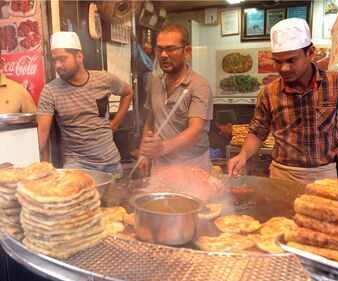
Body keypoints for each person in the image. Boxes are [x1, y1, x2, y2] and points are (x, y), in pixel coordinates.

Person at [228, 18, 338, 184]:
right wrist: (243, 155)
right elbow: (257, 131)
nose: (284, 68)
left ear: (310, 53)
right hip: (281, 175)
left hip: (323, 174)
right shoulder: (269, 92)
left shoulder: (337, 82)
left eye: (291, 60)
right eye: (278, 61)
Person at [37, 31, 133, 174]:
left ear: (79, 57)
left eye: (62, 59)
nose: (57, 65)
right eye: (54, 60)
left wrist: (115, 124)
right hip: (77, 167)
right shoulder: (50, 91)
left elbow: (128, 92)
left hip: (111, 163)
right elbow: (42, 136)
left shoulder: (104, 79)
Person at [139, 24, 213, 174]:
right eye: (159, 49)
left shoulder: (199, 85)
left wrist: (163, 147)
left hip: (192, 164)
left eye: (171, 49)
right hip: (161, 164)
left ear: (187, 51)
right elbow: (151, 119)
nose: (163, 55)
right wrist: (144, 151)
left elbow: (195, 130)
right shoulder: (154, 82)